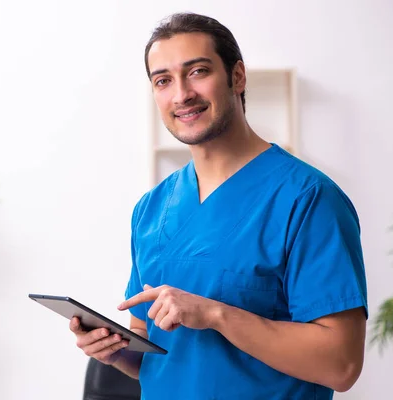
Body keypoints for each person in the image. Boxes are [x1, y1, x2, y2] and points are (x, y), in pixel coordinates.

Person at [70, 12, 368, 400]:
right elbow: (156, 354)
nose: (181, 94)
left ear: (237, 77)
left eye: (197, 72)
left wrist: (215, 314)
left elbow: (341, 365)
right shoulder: (151, 209)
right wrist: (115, 353)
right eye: (163, 81)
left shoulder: (308, 199)